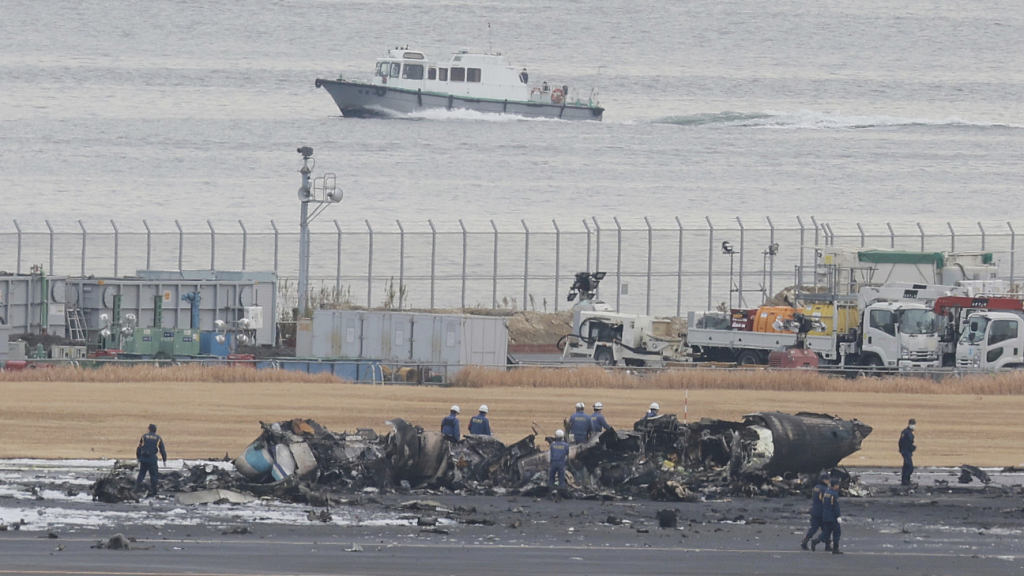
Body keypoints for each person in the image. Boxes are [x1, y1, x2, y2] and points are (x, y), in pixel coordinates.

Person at [135, 424, 167, 497]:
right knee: (154, 475)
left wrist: (138, 457)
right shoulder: (158, 438)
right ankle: (154, 492)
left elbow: (139, 448)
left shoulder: (144, 436)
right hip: (152, 458)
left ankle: (135, 489)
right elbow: (162, 450)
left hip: (143, 457)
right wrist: (164, 459)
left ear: (149, 429)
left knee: (141, 474)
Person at [813, 477, 843, 554]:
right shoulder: (834, 494)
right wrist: (838, 516)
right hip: (832, 517)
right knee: (837, 532)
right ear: (835, 485)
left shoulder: (827, 492)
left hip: (825, 515)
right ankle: (835, 548)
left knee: (826, 532)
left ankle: (816, 540)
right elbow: (835, 507)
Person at [800, 472, 830, 550]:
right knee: (826, 529)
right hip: (822, 511)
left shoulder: (816, 487)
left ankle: (805, 541)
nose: (828, 481)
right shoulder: (825, 489)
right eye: (827, 480)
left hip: (815, 510)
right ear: (824, 480)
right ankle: (827, 545)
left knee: (813, 528)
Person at [899, 418, 916, 486]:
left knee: (906, 466)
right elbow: (902, 442)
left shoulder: (908, 432)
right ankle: (905, 480)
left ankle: (905, 480)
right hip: (905, 451)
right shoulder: (906, 432)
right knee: (909, 466)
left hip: (908, 451)